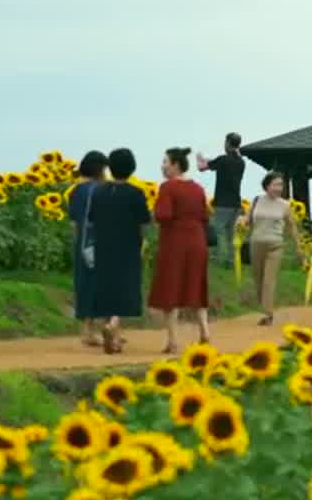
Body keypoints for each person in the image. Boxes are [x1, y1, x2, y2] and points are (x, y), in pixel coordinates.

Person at [87, 148, 153, 354]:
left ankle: (114, 340)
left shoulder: (99, 192)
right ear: (131, 168)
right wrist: (142, 242)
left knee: (107, 287)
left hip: (103, 245)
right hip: (128, 245)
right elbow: (144, 222)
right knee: (126, 287)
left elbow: (91, 219)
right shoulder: (136, 193)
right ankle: (113, 324)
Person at [149, 147, 212, 353]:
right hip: (197, 240)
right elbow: (204, 215)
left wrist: (153, 213)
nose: (163, 166)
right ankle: (204, 331)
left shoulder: (168, 187)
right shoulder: (197, 188)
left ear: (175, 165)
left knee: (171, 288)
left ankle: (173, 340)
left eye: (165, 162)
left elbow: (164, 215)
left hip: (175, 241)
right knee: (196, 285)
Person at [244, 171, 302, 326]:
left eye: (281, 185)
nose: (279, 188)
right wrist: (241, 223)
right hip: (256, 244)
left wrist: (299, 248)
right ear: (267, 186)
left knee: (269, 280)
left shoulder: (285, 205)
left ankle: (268, 314)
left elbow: (292, 227)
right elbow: (247, 220)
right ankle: (264, 308)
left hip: (275, 245)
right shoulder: (256, 201)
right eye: (276, 184)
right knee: (258, 280)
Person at [66, 150, 109, 347]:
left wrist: (78, 242)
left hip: (83, 243)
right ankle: (106, 328)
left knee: (84, 284)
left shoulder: (76, 191)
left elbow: (74, 222)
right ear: (100, 169)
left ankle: (86, 331)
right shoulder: (103, 189)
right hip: (102, 241)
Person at [197, 132, 246, 267]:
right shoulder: (241, 162)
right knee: (230, 233)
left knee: (218, 232)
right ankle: (230, 261)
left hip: (222, 203)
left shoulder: (223, 160)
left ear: (228, 143)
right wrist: (207, 160)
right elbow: (217, 162)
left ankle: (219, 259)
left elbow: (202, 168)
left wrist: (199, 159)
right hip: (236, 203)